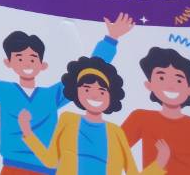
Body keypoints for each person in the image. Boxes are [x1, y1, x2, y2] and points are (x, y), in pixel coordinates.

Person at [0, 18, 130, 175]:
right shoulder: (2, 90)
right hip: (12, 167)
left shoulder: (51, 95)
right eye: (19, 58)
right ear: (8, 62)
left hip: (47, 168)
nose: (27, 63)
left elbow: (88, 72)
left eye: (32, 58)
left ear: (42, 64)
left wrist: (110, 41)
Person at [19, 56, 168, 175]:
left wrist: (159, 163)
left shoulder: (116, 132)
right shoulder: (67, 119)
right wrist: (27, 131)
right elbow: (50, 161)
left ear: (110, 96)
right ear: (77, 91)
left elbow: (132, 173)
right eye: (87, 89)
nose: (95, 95)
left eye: (102, 91)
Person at [124, 48, 190, 175]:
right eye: (162, 78)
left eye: (179, 80)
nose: (170, 86)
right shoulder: (141, 118)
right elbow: (112, 152)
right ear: (149, 85)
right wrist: (159, 163)